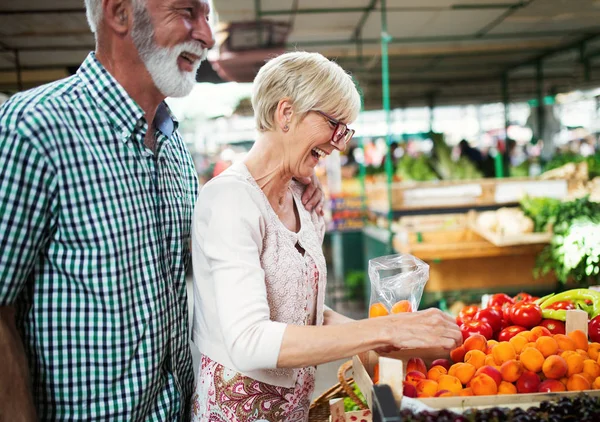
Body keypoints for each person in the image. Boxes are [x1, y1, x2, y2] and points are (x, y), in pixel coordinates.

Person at [0, 1, 324, 420]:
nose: (206, 35)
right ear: (120, 14)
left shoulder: (172, 148)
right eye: (188, 12)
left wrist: (286, 181)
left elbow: (219, 256)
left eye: (208, 18)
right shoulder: (34, 129)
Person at [190, 52, 463, 422]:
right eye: (335, 125)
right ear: (286, 114)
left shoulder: (304, 200)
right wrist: (387, 327)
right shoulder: (229, 200)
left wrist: (398, 340)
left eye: (345, 131)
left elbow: (309, 316)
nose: (339, 144)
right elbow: (249, 342)